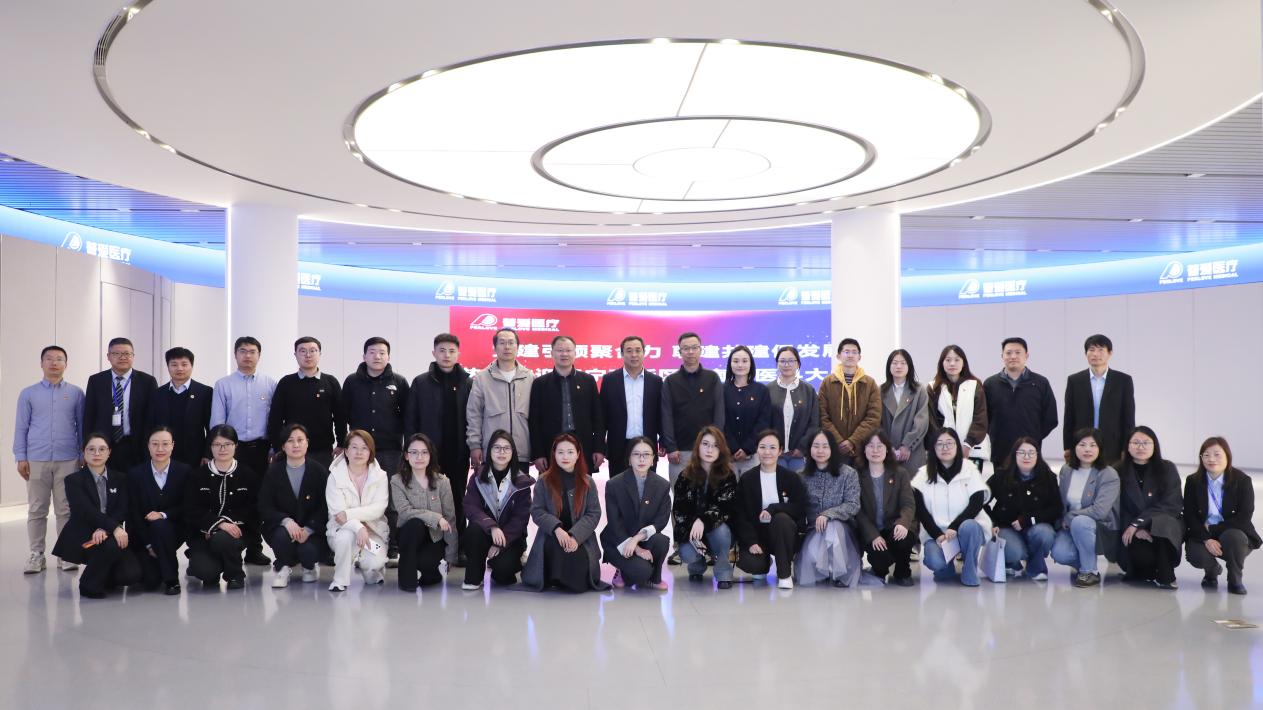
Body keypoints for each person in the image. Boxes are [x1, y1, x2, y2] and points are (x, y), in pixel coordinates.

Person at [14, 345, 84, 574]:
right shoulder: (28, 393)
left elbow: (82, 426)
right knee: (37, 509)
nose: (54, 363)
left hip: (68, 459)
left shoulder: (76, 393)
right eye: (49, 359)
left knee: (66, 509)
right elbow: (21, 427)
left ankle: (66, 553)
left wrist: (82, 454)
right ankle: (36, 555)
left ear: (66, 364)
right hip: (36, 458)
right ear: (41, 363)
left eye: (59, 359)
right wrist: (21, 456)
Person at [406, 333, 471, 564]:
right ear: (434, 353)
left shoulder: (467, 382)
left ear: (458, 354)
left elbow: (474, 417)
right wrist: (412, 451)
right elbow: (411, 419)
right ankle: (429, 546)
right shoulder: (421, 382)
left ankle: (458, 547)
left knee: (457, 499)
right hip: (428, 455)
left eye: (452, 351)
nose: (447, 355)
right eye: (442, 350)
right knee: (427, 498)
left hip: (458, 452)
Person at [210, 336, 276, 567]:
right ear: (235, 354)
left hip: (261, 450)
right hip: (233, 451)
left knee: (258, 499)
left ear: (259, 355)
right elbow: (217, 422)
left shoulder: (269, 384)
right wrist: (219, 450)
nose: (247, 356)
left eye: (252, 351)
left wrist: (274, 449)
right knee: (234, 498)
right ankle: (232, 547)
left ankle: (255, 549)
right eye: (243, 351)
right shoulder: (223, 384)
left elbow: (275, 419)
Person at [50, 434, 142, 598]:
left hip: (109, 532)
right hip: (84, 532)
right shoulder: (73, 480)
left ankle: (103, 576)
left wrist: (105, 529)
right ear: (84, 452)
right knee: (112, 546)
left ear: (109, 452)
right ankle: (88, 585)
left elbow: (122, 509)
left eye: (102, 449)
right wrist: (113, 528)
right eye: (91, 449)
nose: (97, 453)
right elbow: (85, 511)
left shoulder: (120, 478)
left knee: (130, 575)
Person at [521, 434, 608, 592]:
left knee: (578, 581)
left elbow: (594, 513)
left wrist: (575, 536)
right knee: (558, 550)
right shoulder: (544, 481)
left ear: (578, 454)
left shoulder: (588, 482)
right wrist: (557, 529)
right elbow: (537, 511)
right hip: (552, 535)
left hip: (581, 538)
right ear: (554, 455)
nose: (565, 457)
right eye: (560, 452)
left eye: (570, 452)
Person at [183, 424, 260, 590]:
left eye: (227, 444)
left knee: (223, 539)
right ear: (210, 447)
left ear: (236, 446)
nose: (222, 449)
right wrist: (217, 524)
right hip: (203, 534)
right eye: (217, 444)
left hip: (236, 532)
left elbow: (252, 509)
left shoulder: (248, 475)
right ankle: (205, 562)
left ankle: (235, 574)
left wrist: (227, 524)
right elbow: (191, 510)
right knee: (205, 572)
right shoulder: (197, 476)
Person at [913, 428, 990, 586]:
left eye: (949, 443)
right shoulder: (923, 474)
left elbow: (976, 502)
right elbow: (920, 510)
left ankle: (969, 570)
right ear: (933, 448)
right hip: (938, 535)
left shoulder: (969, 468)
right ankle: (946, 567)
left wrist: (955, 526)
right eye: (940, 444)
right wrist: (937, 535)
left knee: (969, 526)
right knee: (936, 563)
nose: (945, 448)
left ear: (957, 446)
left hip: (965, 530)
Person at [257, 423, 329, 588]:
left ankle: (309, 567)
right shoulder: (274, 472)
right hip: (284, 528)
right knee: (281, 536)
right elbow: (265, 505)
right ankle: (283, 567)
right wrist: (286, 521)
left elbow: (325, 507)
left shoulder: (319, 471)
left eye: (300, 440)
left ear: (307, 443)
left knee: (308, 551)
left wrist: (309, 529)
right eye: (290, 441)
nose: (296, 445)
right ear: (283, 446)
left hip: (313, 530)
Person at [1184, 437, 1259, 595]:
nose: (1211, 459)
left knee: (1235, 538)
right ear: (1201, 458)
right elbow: (1190, 515)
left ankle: (1235, 579)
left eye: (1217, 454)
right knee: (1195, 554)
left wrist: (1212, 529)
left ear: (1227, 456)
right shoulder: (1193, 481)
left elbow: (1244, 517)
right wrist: (1206, 538)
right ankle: (1212, 571)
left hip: (1231, 530)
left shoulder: (1242, 481)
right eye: (1206, 455)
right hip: (1203, 532)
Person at [735, 430, 808, 589]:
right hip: (757, 535)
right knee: (754, 566)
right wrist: (751, 541)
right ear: (757, 449)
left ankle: (784, 573)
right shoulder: (747, 479)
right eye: (762, 447)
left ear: (780, 450)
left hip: (784, 533)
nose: (767, 452)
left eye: (772, 448)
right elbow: (740, 514)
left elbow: (799, 508)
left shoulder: (791, 477)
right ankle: (764, 561)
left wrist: (774, 508)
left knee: (781, 518)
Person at [461, 430, 533, 590]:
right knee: (473, 531)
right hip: (484, 533)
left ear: (513, 452)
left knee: (503, 571)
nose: (502, 452)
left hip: (510, 538)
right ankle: (474, 577)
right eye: (497, 448)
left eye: (506, 448)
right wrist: (492, 526)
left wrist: (501, 542)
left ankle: (499, 566)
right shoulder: (478, 477)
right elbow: (470, 506)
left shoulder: (522, 481)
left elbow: (520, 519)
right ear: (489, 451)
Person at [1114, 426, 1183, 590]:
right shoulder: (1117, 470)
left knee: (1163, 524)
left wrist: (1139, 523)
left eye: (1146, 443)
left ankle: (1167, 576)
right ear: (1128, 446)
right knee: (1143, 563)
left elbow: (1172, 504)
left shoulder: (1167, 468)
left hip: (1163, 529)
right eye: (1136, 442)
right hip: (1131, 530)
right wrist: (1135, 528)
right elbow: (1116, 508)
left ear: (1155, 446)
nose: (1141, 447)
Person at [1050, 428, 1120, 588]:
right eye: (1082, 445)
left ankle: (1090, 572)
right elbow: (1062, 503)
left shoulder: (1108, 474)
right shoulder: (1066, 470)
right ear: (1074, 448)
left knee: (1080, 522)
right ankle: (1085, 563)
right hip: (1070, 526)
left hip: (1100, 526)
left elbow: (1100, 511)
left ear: (1100, 449)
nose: (1087, 449)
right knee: (1059, 553)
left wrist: (1070, 517)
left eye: (1092, 445)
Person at [601, 436, 671, 590]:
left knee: (661, 541)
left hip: (643, 537)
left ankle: (655, 578)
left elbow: (661, 520)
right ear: (629, 459)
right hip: (619, 539)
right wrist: (637, 549)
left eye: (646, 454)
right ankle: (622, 569)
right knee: (640, 573)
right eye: (636, 454)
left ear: (653, 459)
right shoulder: (614, 485)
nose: (641, 459)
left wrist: (637, 539)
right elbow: (614, 523)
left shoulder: (662, 485)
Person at [672, 426, 738, 588]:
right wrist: (693, 523)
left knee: (721, 531)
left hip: (718, 530)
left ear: (721, 450)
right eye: (705, 444)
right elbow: (679, 510)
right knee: (686, 553)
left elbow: (724, 508)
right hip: (692, 531)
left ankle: (723, 571)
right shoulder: (685, 475)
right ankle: (697, 565)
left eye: (715, 446)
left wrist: (702, 521)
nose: (709, 450)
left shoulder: (728, 475)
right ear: (698, 447)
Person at [128, 427, 191, 595]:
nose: (160, 449)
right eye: (155, 444)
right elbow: (134, 514)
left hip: (175, 530)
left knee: (160, 525)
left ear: (173, 445)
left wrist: (163, 515)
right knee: (150, 581)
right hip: (145, 534)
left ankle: (172, 580)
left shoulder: (184, 471)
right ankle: (158, 563)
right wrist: (148, 545)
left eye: (165, 444)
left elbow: (187, 506)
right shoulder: (135, 474)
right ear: (148, 446)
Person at [796, 428, 862, 587]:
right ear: (809, 449)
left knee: (833, 527)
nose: (820, 451)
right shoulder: (801, 475)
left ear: (833, 449)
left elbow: (853, 504)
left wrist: (827, 515)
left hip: (843, 529)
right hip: (813, 529)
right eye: (816, 446)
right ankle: (824, 570)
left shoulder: (848, 473)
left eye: (825, 446)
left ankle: (840, 573)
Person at [325, 430, 390, 592]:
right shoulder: (335, 476)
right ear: (346, 451)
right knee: (345, 537)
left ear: (370, 452)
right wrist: (358, 527)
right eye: (354, 447)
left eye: (364, 448)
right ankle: (340, 579)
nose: (359, 452)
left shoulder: (380, 476)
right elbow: (337, 514)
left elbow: (378, 508)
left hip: (373, 532)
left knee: (375, 561)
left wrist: (349, 514)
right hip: (342, 530)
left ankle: (369, 570)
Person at [987, 438, 1060, 580]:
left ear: (1038, 455)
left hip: (1035, 526)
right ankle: (1012, 561)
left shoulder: (1047, 477)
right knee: (1014, 552)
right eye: (1022, 453)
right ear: (1014, 454)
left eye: (1031, 453)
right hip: (1006, 528)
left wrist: (1028, 520)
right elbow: (981, 501)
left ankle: (1035, 566)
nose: (1027, 457)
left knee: (1045, 535)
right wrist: (992, 523)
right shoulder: (1001, 476)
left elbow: (1056, 508)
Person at [530, 335, 605, 472]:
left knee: (582, 484)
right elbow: (534, 422)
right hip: (550, 448)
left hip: (582, 447)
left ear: (575, 353)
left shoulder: (588, 381)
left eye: (568, 350)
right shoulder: (540, 384)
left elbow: (598, 419)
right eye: (559, 350)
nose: (564, 354)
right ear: (552, 353)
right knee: (551, 485)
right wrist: (538, 453)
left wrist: (599, 449)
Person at [268, 337, 345, 469]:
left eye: (313, 351)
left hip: (322, 450)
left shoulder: (330, 382)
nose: (308, 355)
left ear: (320, 353)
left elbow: (340, 416)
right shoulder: (286, 383)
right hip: (292, 449)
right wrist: (277, 447)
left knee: (321, 482)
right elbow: (275, 418)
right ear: (295, 355)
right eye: (303, 351)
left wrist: (342, 443)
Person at [392, 434, 456, 591]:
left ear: (430, 455)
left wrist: (451, 554)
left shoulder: (442, 482)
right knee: (415, 523)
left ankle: (431, 573)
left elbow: (450, 519)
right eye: (414, 452)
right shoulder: (397, 481)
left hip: (434, 537)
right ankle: (407, 581)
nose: (419, 457)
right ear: (406, 455)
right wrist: (436, 518)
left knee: (426, 564)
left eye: (424, 452)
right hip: (409, 535)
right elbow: (405, 512)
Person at [852, 431, 917, 586]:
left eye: (879, 446)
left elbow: (908, 504)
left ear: (887, 449)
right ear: (864, 450)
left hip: (894, 525)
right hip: (872, 529)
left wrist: (903, 523)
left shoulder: (900, 473)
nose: (875, 450)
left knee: (903, 538)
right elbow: (857, 510)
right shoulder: (856, 475)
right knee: (880, 560)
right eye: (871, 446)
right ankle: (880, 568)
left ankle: (902, 571)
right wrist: (873, 535)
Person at [83, 337, 157, 470]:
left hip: (136, 445)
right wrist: (87, 447)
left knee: (136, 482)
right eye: (116, 353)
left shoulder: (147, 381)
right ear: (108, 356)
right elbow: (89, 416)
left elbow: (152, 417)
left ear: (133, 356)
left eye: (127, 353)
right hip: (103, 446)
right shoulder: (96, 381)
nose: (122, 357)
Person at [982, 338, 1058, 467]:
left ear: (1026, 356)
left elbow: (1050, 418)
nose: (1013, 356)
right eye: (1008, 353)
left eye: (1018, 352)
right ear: (1002, 356)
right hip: (1001, 450)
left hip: (1030, 451)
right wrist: (996, 434)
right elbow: (984, 417)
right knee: (1001, 480)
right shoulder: (990, 384)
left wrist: (1034, 436)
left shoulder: (1041, 383)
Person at [661, 332, 724, 484]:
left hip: (708, 449)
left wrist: (714, 444)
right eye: (686, 348)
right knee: (681, 495)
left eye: (694, 347)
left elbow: (719, 413)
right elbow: (666, 415)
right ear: (679, 352)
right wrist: (671, 447)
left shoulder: (712, 378)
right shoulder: (670, 381)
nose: (690, 352)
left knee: (709, 493)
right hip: (680, 452)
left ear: (700, 350)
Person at [467, 327, 533, 471]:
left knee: (521, 486)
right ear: (495, 347)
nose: (507, 347)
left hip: (520, 452)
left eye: (511, 342)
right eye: (502, 343)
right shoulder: (482, 378)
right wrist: (475, 445)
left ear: (518, 347)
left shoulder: (529, 377)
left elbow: (536, 416)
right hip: (493, 451)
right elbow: (474, 414)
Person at [1063, 334, 1135, 465]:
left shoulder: (1123, 381)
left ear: (1110, 353)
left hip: (1113, 445)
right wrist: (1067, 446)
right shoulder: (1075, 380)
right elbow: (1069, 416)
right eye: (1091, 350)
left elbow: (1128, 418)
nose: (1095, 354)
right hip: (1082, 443)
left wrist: (1126, 447)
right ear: (1085, 353)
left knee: (1110, 476)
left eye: (1101, 350)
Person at [342, 337, 409, 474]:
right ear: (364, 356)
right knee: (359, 485)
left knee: (390, 485)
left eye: (382, 353)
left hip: (391, 449)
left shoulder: (399, 381)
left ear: (388, 357)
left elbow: (408, 415)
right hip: (359, 449)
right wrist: (342, 443)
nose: (377, 356)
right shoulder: (352, 381)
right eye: (372, 352)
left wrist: (408, 445)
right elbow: (343, 413)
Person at [600, 335, 663, 476]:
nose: (634, 355)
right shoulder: (610, 380)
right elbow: (602, 417)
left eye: (638, 350)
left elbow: (660, 415)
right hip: (618, 447)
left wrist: (664, 441)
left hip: (647, 446)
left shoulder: (656, 381)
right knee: (618, 487)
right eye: (629, 351)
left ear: (644, 352)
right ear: (622, 354)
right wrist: (599, 447)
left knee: (647, 487)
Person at [817, 338, 882, 467]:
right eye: (846, 352)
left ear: (859, 357)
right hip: (834, 449)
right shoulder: (827, 383)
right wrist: (839, 441)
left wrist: (853, 441)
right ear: (838, 356)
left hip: (862, 448)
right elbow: (822, 416)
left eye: (854, 352)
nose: (850, 355)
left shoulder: (869, 383)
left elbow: (873, 417)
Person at [146, 346, 212, 470]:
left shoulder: (205, 392)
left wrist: (208, 454)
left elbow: (210, 427)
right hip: (164, 454)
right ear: (168, 367)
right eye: (174, 364)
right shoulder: (157, 394)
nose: (179, 368)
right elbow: (150, 426)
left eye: (184, 364)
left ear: (191, 366)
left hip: (195, 456)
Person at [926, 345, 989, 467]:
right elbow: (931, 421)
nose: (952, 363)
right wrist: (943, 444)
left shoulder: (975, 385)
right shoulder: (933, 387)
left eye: (957, 360)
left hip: (972, 449)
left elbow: (980, 418)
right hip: (943, 450)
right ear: (942, 363)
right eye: (948, 360)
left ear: (963, 363)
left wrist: (968, 444)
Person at [768, 345, 818, 473]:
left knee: (798, 484)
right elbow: (764, 422)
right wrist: (773, 446)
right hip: (774, 454)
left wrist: (802, 447)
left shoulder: (808, 390)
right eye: (782, 361)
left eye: (791, 361)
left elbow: (814, 423)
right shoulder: (768, 390)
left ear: (798, 364)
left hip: (799, 455)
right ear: (777, 364)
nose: (786, 365)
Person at [723, 345, 771, 477]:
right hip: (727, 456)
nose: (740, 365)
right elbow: (720, 421)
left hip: (753, 455)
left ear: (751, 364)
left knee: (751, 488)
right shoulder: (721, 390)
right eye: (736, 361)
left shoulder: (761, 390)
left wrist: (747, 448)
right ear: (730, 364)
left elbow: (763, 422)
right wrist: (732, 447)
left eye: (745, 361)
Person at [879, 349, 929, 473]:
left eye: (903, 363)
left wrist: (907, 445)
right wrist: (887, 446)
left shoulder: (919, 390)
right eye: (895, 363)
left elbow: (921, 421)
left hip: (913, 451)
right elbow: (877, 423)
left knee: (913, 483)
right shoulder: (880, 391)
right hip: (887, 452)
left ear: (909, 366)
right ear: (889, 366)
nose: (899, 366)